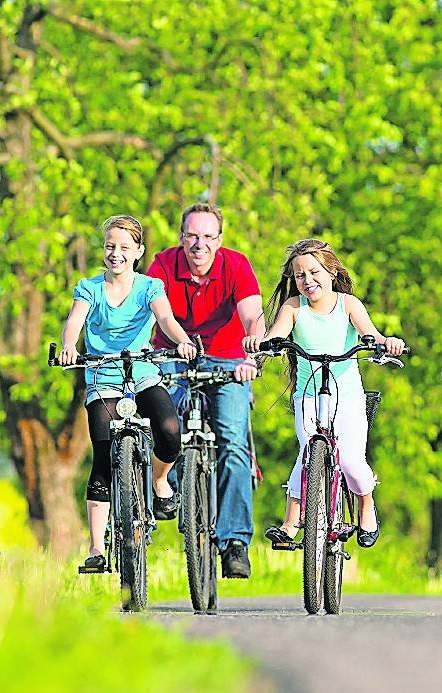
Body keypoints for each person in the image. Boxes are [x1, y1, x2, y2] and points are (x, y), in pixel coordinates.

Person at [243, 239, 406, 549]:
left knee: (351, 464)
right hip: (309, 395)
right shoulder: (293, 307)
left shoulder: (348, 304)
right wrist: (263, 344)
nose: (307, 281)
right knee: (307, 452)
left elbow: (369, 332)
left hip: (347, 396)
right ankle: (292, 522)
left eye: (314, 272)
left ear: (331, 272)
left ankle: (366, 505)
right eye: (300, 275)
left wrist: (385, 342)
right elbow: (277, 333)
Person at [59, 215, 197, 571]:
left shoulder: (150, 287)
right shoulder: (88, 288)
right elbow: (74, 322)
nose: (115, 253)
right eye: (109, 246)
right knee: (104, 456)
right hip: (102, 378)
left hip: (144, 373)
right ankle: (95, 548)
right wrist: (69, 346)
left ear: (138, 251)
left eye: (123, 247)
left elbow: (165, 320)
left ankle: (160, 480)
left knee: (169, 429)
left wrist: (182, 342)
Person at [147, 203, 265, 579]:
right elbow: (152, 310)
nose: (199, 244)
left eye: (208, 237)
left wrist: (254, 351)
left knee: (232, 440)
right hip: (172, 354)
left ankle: (234, 542)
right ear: (182, 237)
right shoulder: (163, 265)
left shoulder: (236, 265)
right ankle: (173, 487)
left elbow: (252, 315)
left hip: (228, 358)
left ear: (220, 240)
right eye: (192, 236)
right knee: (164, 424)